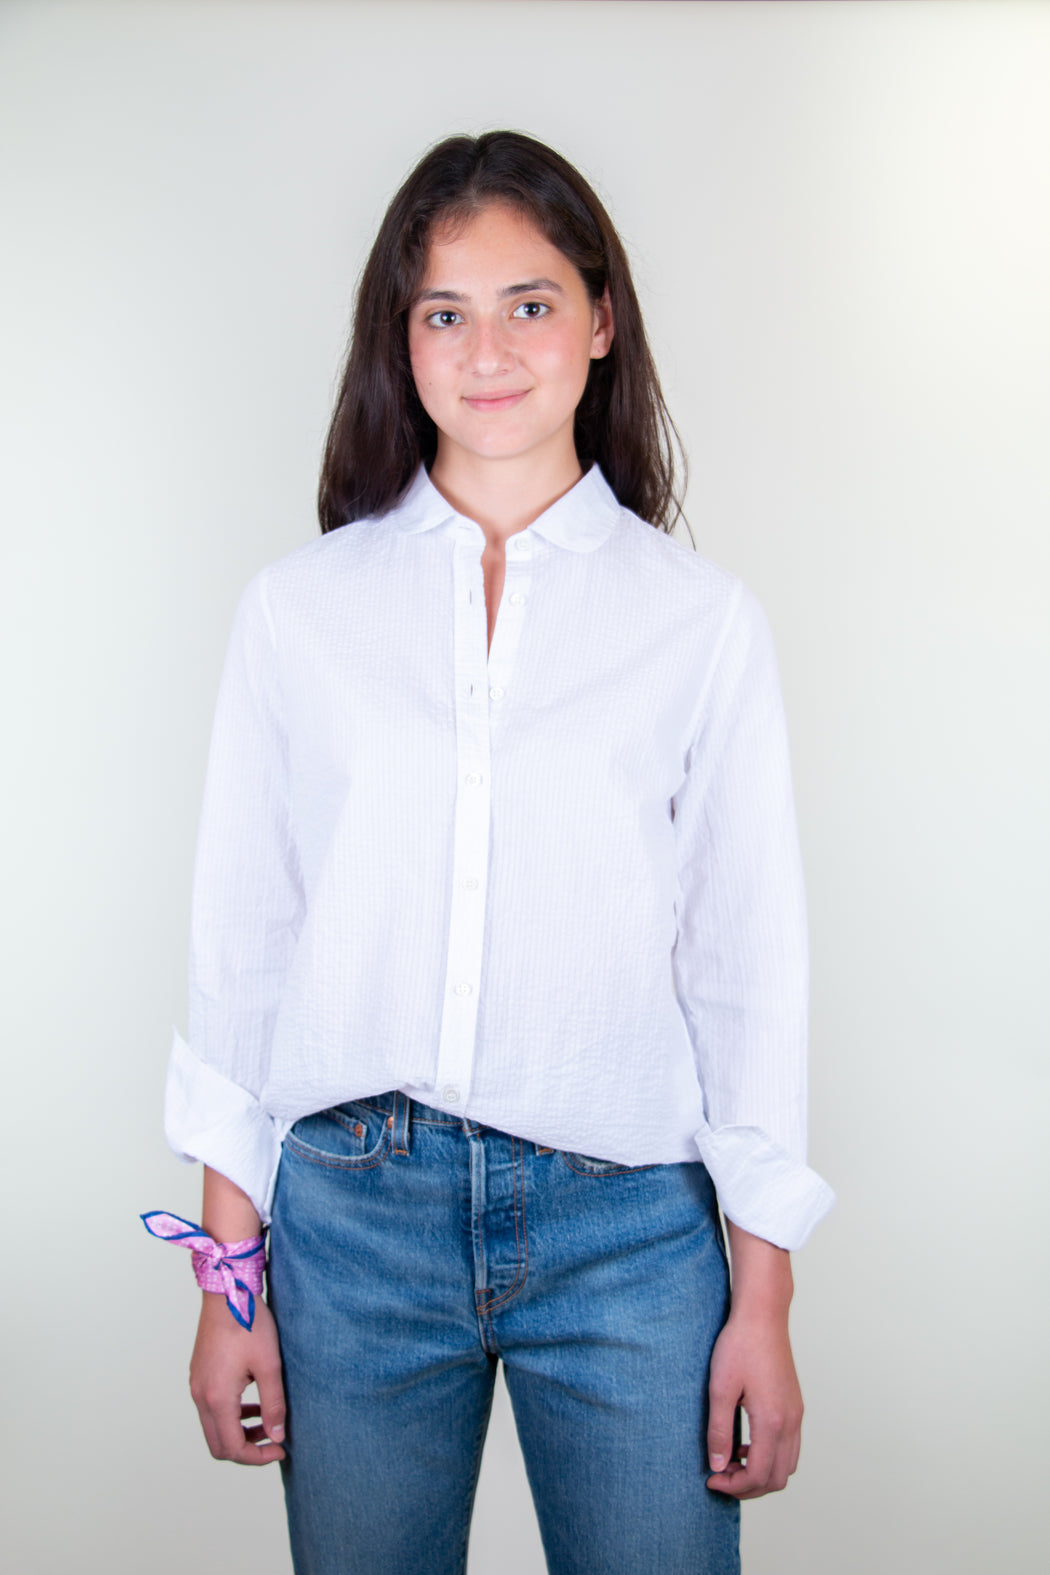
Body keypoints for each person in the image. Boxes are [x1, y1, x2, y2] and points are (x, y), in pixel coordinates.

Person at [148, 130, 834, 1575]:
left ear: (600, 319)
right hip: (351, 1227)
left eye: (529, 302)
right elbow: (242, 949)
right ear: (398, 344)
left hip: (631, 1235)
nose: (489, 350)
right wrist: (228, 1283)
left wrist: (758, 1301)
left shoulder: (695, 624)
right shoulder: (300, 614)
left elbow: (743, 971)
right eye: (443, 313)